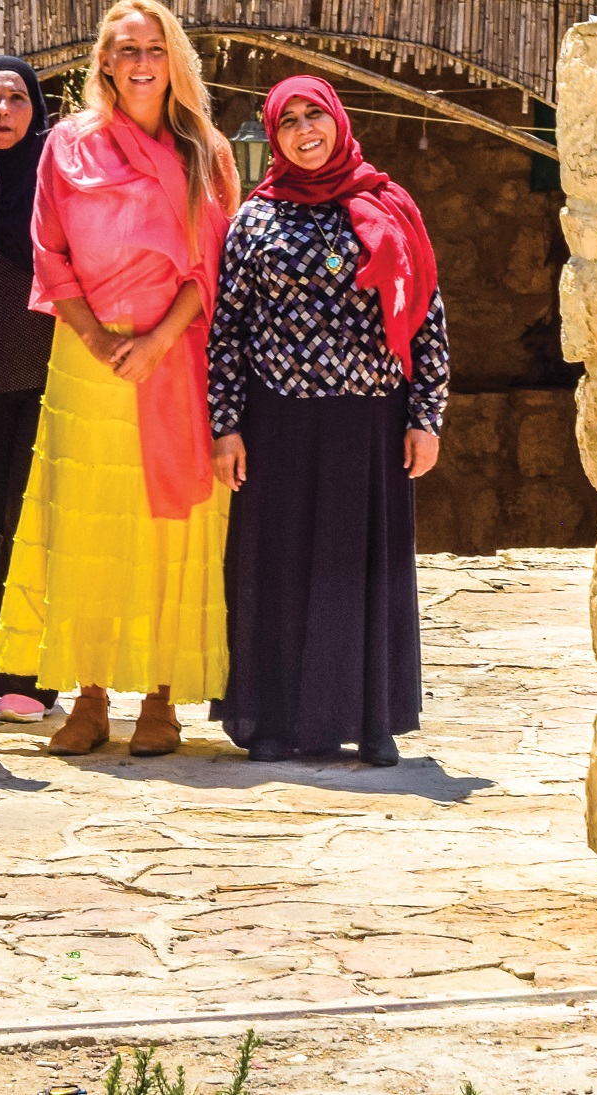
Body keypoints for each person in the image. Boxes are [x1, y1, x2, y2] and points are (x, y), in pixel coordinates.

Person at [0, 0, 239, 758]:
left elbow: (211, 261)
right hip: (86, 357)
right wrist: (99, 337)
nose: (140, 63)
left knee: (168, 529)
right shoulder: (67, 146)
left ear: (173, 60)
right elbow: (50, 251)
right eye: (126, 49)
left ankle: (159, 697)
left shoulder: (205, 149)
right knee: (86, 525)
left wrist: (159, 339)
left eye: (154, 49)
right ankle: (90, 693)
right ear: (103, 60)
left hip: (173, 358)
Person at [209, 78, 448, 768]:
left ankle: (373, 719)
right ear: (273, 135)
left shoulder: (389, 207)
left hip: (369, 419)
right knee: (280, 570)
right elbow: (226, 331)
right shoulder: (255, 219)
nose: (305, 130)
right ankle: (276, 720)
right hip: (276, 419)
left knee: (361, 570)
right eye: (289, 121)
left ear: (338, 121)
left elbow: (426, 312)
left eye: (315, 115)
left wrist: (426, 415)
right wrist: (226, 425)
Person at [0, 55, 57, 722]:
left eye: (16, 98)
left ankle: (27, 671)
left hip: (42, 380)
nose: (1, 111)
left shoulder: (58, 180)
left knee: (29, 525)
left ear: (36, 109)